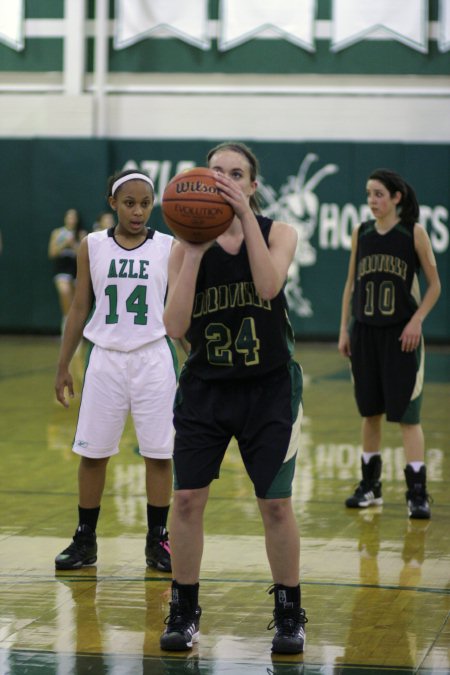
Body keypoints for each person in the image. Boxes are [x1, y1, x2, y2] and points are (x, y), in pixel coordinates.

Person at [159, 142, 307, 654]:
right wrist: (195, 251)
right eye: (215, 171)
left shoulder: (279, 233)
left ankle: (290, 612)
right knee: (185, 499)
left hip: (268, 389)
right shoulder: (183, 244)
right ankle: (184, 608)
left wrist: (243, 219)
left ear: (252, 185)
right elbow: (175, 326)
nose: (223, 180)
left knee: (276, 507)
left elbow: (267, 287)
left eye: (235, 174)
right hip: (205, 388)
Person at [54, 169, 177, 572]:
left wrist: (195, 360)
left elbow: (178, 309)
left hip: (154, 356)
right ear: (112, 204)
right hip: (105, 357)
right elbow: (78, 306)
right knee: (93, 453)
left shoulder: (168, 247)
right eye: (129, 203)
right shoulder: (91, 245)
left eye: (145, 203)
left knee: (159, 454)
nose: (138, 211)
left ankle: (158, 540)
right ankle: (85, 538)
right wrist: (62, 365)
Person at [338, 168, 441, 519]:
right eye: (368, 194)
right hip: (365, 332)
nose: (372, 201)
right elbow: (351, 284)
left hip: (401, 335)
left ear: (396, 197)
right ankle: (371, 486)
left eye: (379, 194)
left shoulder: (413, 233)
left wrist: (416, 320)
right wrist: (344, 329)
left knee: (408, 417)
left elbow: (436, 285)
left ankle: (417, 492)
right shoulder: (361, 232)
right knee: (370, 413)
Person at [48, 208, 87, 334]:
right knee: (65, 293)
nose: (71, 219)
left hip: (76, 268)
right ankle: (66, 330)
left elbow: (84, 255)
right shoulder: (58, 232)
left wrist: (74, 245)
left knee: (77, 304)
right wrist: (65, 244)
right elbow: (52, 253)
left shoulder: (81, 234)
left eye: (74, 217)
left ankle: (76, 335)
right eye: (69, 217)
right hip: (62, 268)